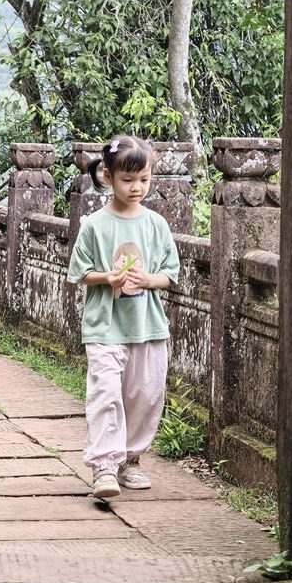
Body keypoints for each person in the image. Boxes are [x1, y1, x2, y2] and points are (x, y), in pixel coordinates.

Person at [67, 135, 180, 499]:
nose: (136, 188)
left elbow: (170, 273)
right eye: (128, 180)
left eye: (143, 180)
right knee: (105, 393)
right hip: (104, 326)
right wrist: (107, 277)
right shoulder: (94, 225)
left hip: (147, 326)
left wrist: (148, 280)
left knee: (144, 395)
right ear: (108, 176)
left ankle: (130, 460)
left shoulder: (155, 224)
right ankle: (103, 465)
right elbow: (79, 271)